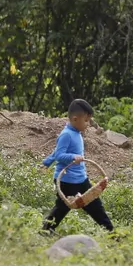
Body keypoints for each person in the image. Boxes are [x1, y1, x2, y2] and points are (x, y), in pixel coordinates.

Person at [41, 99, 114, 233]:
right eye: (86, 121)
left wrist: (47, 162)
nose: (88, 124)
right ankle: (45, 230)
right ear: (75, 119)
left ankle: (110, 231)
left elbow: (57, 151)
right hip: (66, 181)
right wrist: (72, 157)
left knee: (95, 205)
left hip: (81, 179)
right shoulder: (66, 134)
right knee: (62, 208)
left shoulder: (76, 133)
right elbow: (59, 154)